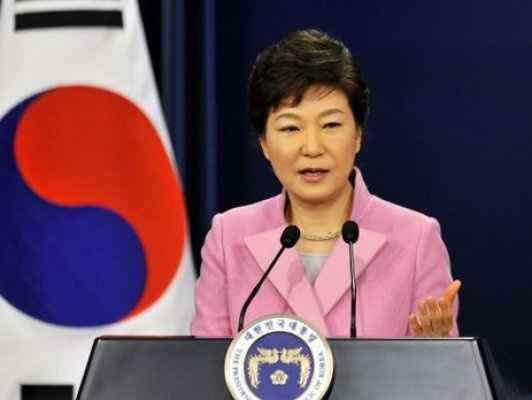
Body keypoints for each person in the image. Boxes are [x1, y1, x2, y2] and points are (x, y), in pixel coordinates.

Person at [191, 29, 460, 338]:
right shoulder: (228, 237)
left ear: (357, 134)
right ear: (264, 142)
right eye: (290, 128)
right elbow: (205, 361)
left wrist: (434, 352)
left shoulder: (416, 239)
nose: (312, 147)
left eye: (331, 125)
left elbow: (442, 367)